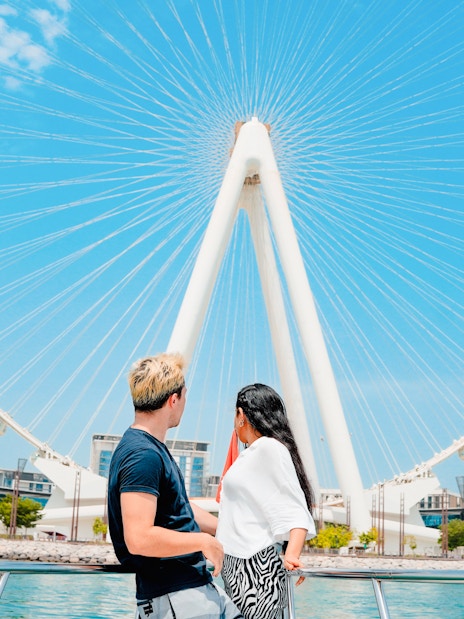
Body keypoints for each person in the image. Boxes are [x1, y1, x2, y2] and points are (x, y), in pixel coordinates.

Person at [108, 353, 243, 619]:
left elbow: (179, 508)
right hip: (176, 598)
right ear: (174, 399)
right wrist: (203, 541)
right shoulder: (142, 455)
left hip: (192, 590)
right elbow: (138, 538)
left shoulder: (151, 450)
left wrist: (229, 530)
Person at [216, 383, 316, 619]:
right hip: (237, 567)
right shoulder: (250, 453)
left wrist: (291, 553)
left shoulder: (269, 448)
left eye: (234, 415)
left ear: (241, 415)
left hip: (256, 568)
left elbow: (295, 509)